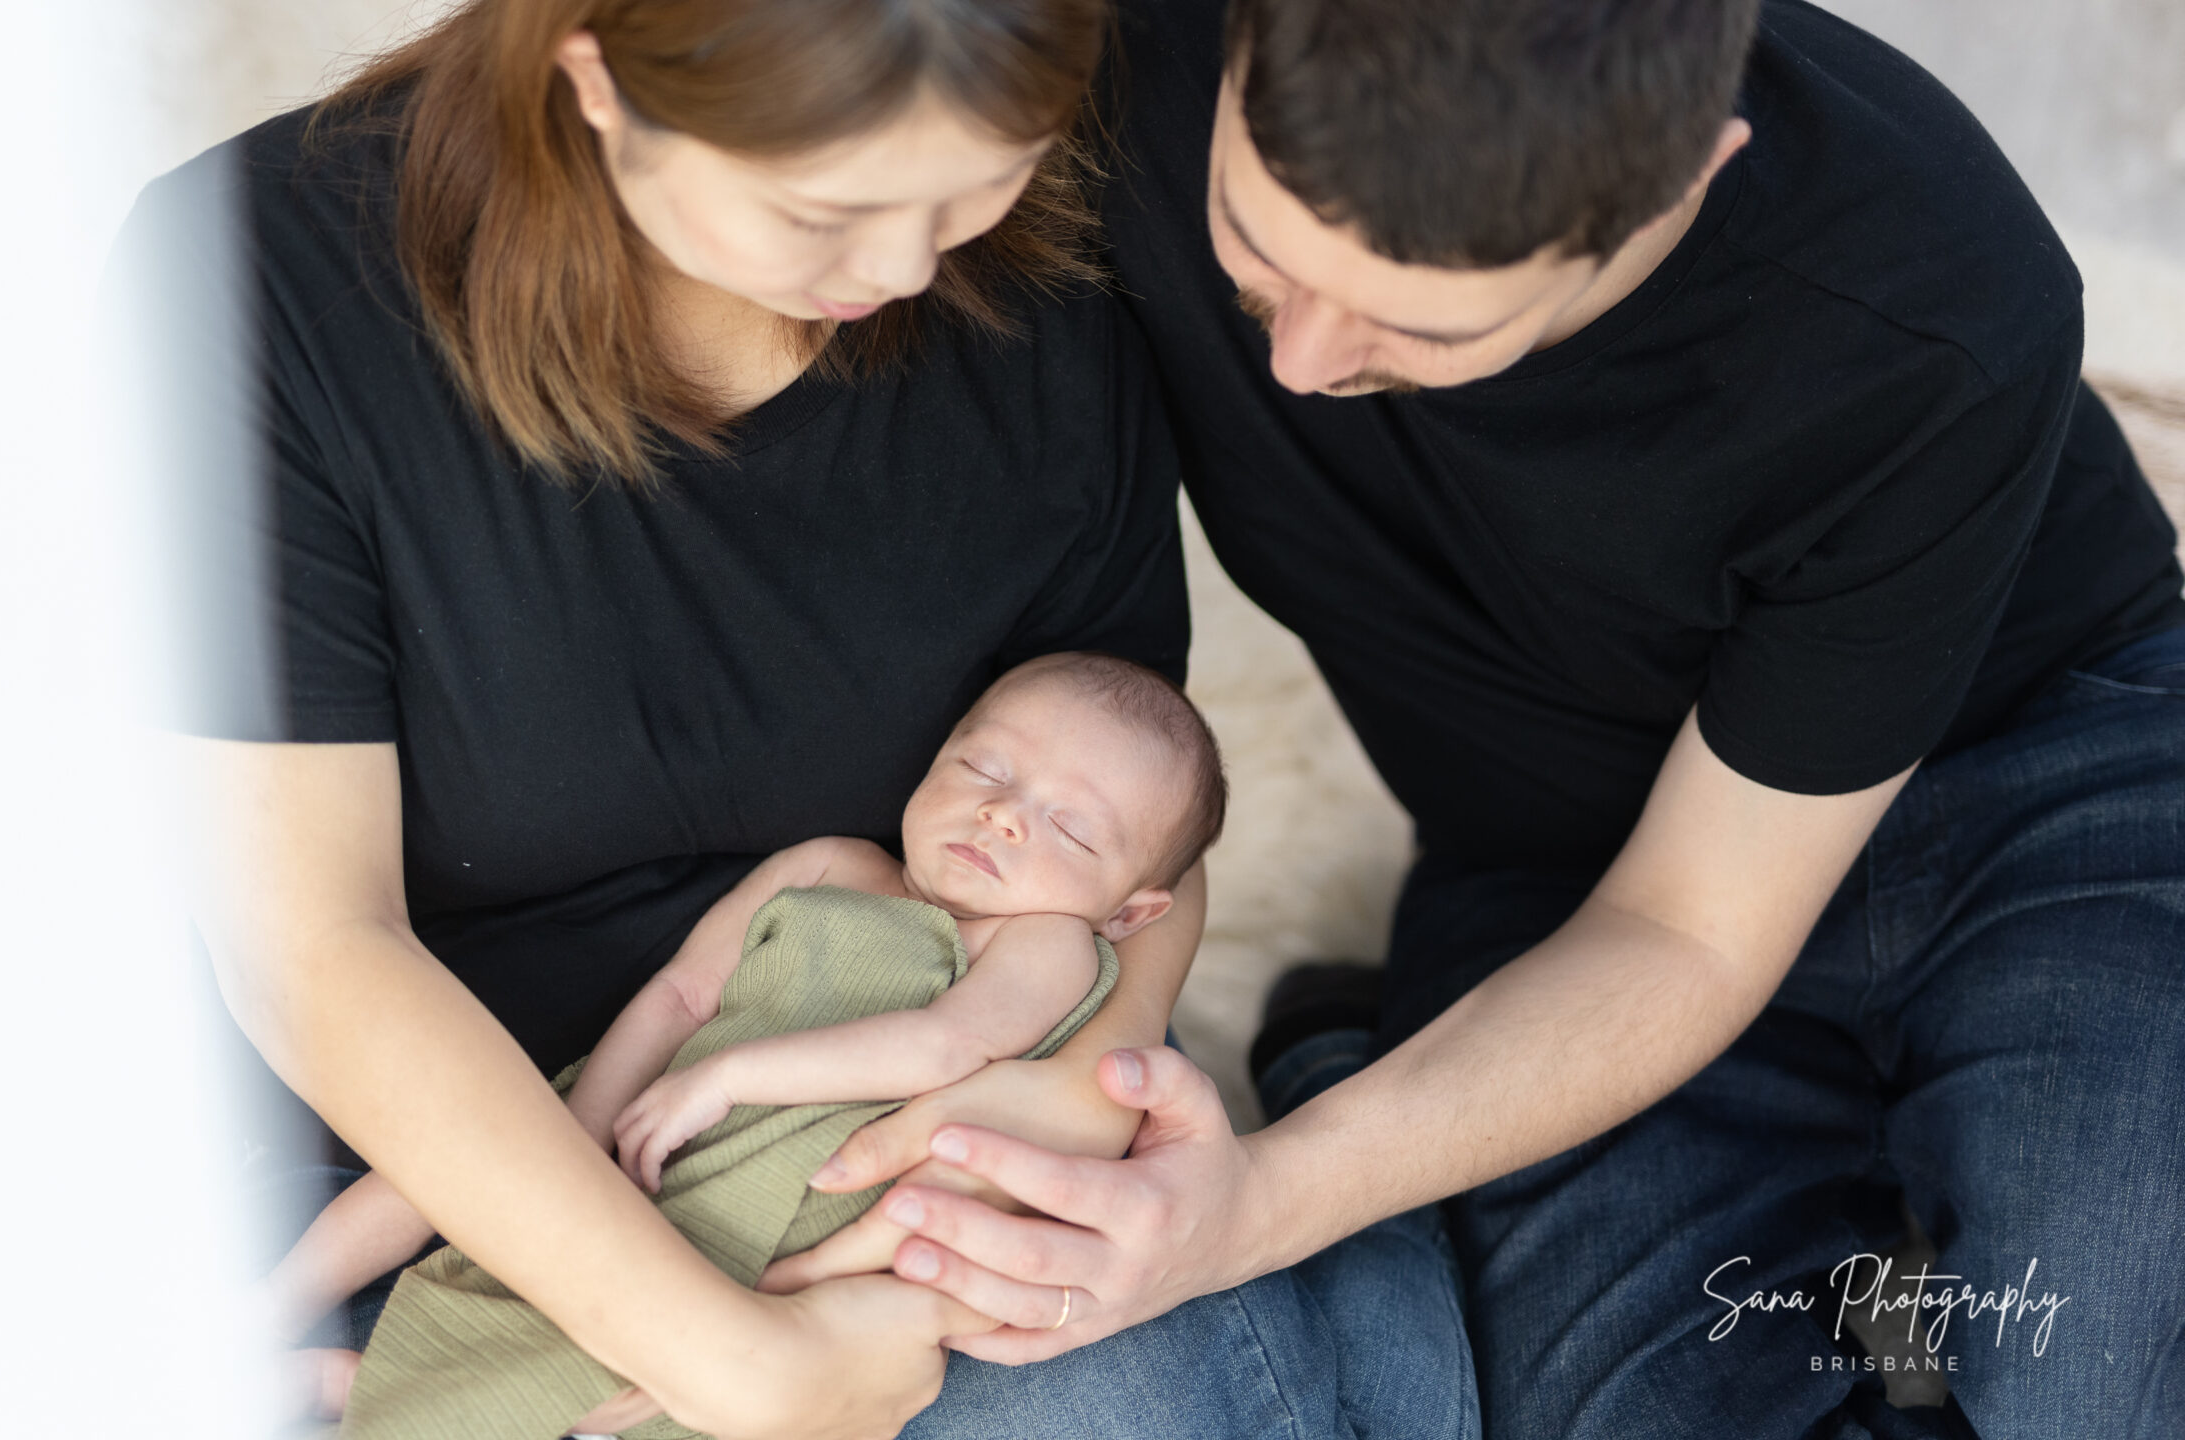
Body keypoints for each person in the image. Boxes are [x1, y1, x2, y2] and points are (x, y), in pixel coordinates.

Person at [789, 2, 2185, 1437]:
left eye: (1416, 324)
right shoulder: (1136, 51)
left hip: (2038, 764)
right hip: (1560, 868)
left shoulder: (1937, 301)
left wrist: (1256, 1204)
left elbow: (1699, 927)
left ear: (1682, 182)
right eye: (1258, 253)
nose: (1303, 367)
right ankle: (1355, 1038)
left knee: (2104, 1388)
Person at [126, 0, 1470, 1433]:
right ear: (595, 73)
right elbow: (312, 945)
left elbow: (1132, 818)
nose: (906, 265)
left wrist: (1080, 1089)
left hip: (897, 1073)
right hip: (430, 1129)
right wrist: (727, 1358)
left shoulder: (1042, 258)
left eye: (974, 177)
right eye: (825, 208)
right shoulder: (258, 283)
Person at [265, 654, 1224, 1434]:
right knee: (441, 1166)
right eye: (983, 768)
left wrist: (732, 1077)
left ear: (1133, 912)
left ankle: (369, 1394)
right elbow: (682, 993)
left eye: (1069, 827)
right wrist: (590, 1116)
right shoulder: (829, 865)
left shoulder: (1046, 941)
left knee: (636, 1385)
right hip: (657, 1105)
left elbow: (944, 1047)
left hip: (773, 1199)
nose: (1003, 813)